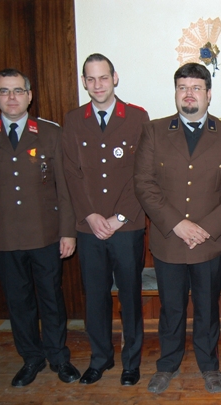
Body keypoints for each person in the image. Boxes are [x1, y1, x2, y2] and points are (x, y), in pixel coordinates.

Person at [134, 63, 221, 394]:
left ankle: (209, 365)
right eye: (183, 87)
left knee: (207, 307)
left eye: (196, 88)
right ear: (175, 93)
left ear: (208, 94)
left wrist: (206, 228)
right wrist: (177, 224)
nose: (189, 93)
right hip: (169, 240)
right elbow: (144, 183)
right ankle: (167, 364)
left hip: (209, 243)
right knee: (170, 309)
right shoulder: (154, 131)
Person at [0, 68, 79, 387]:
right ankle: (31, 358)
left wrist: (68, 231)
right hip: (2, 238)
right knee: (19, 302)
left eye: (17, 91)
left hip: (46, 234)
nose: (11, 97)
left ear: (29, 95)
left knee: (52, 300)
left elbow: (64, 189)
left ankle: (58, 357)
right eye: (4, 91)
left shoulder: (50, 133)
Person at [62, 53, 149, 386]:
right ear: (84, 82)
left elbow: (142, 175)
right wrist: (90, 215)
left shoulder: (138, 117)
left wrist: (118, 216)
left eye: (103, 77)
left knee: (129, 297)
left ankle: (131, 362)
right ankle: (100, 359)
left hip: (126, 226)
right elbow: (72, 173)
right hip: (89, 227)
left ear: (115, 78)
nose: (97, 85)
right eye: (90, 79)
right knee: (95, 297)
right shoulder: (73, 120)